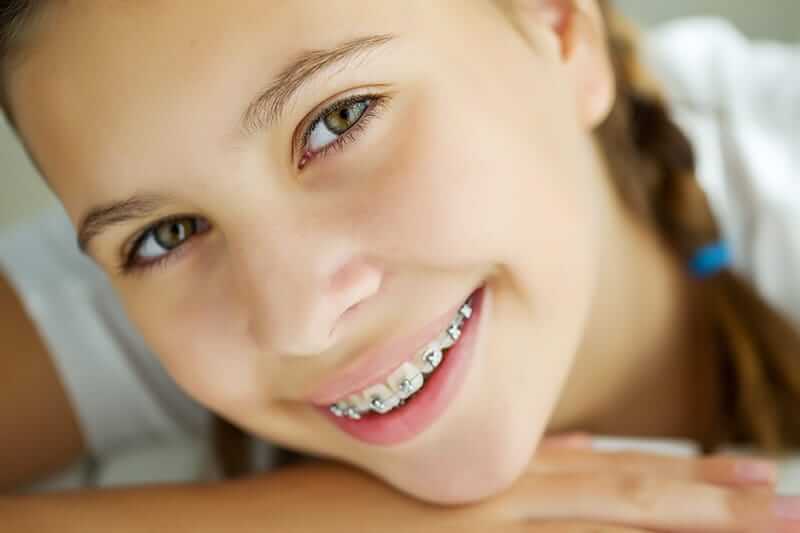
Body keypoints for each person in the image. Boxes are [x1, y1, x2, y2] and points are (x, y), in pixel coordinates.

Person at [1, 0, 799, 530]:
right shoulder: (138, 309)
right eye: (167, 234)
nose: (300, 322)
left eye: (338, 119)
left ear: (560, 28)